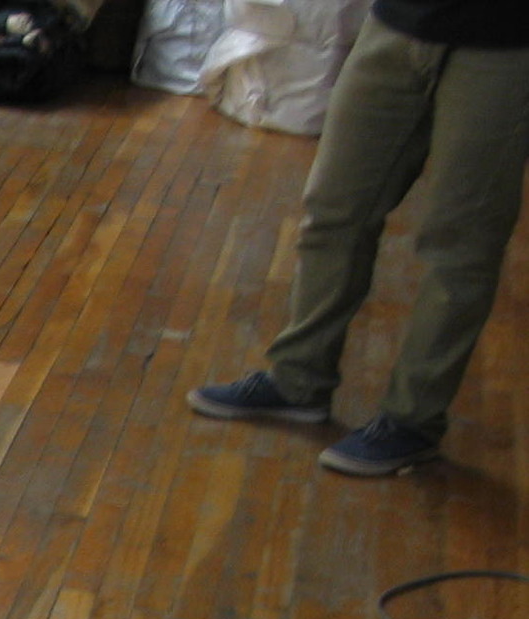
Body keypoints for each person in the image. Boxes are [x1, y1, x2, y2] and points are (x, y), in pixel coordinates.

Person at [187, 0, 529, 476]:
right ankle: (298, 381)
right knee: (334, 209)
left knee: (460, 246)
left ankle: (412, 421)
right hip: (396, 25)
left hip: (506, 45)